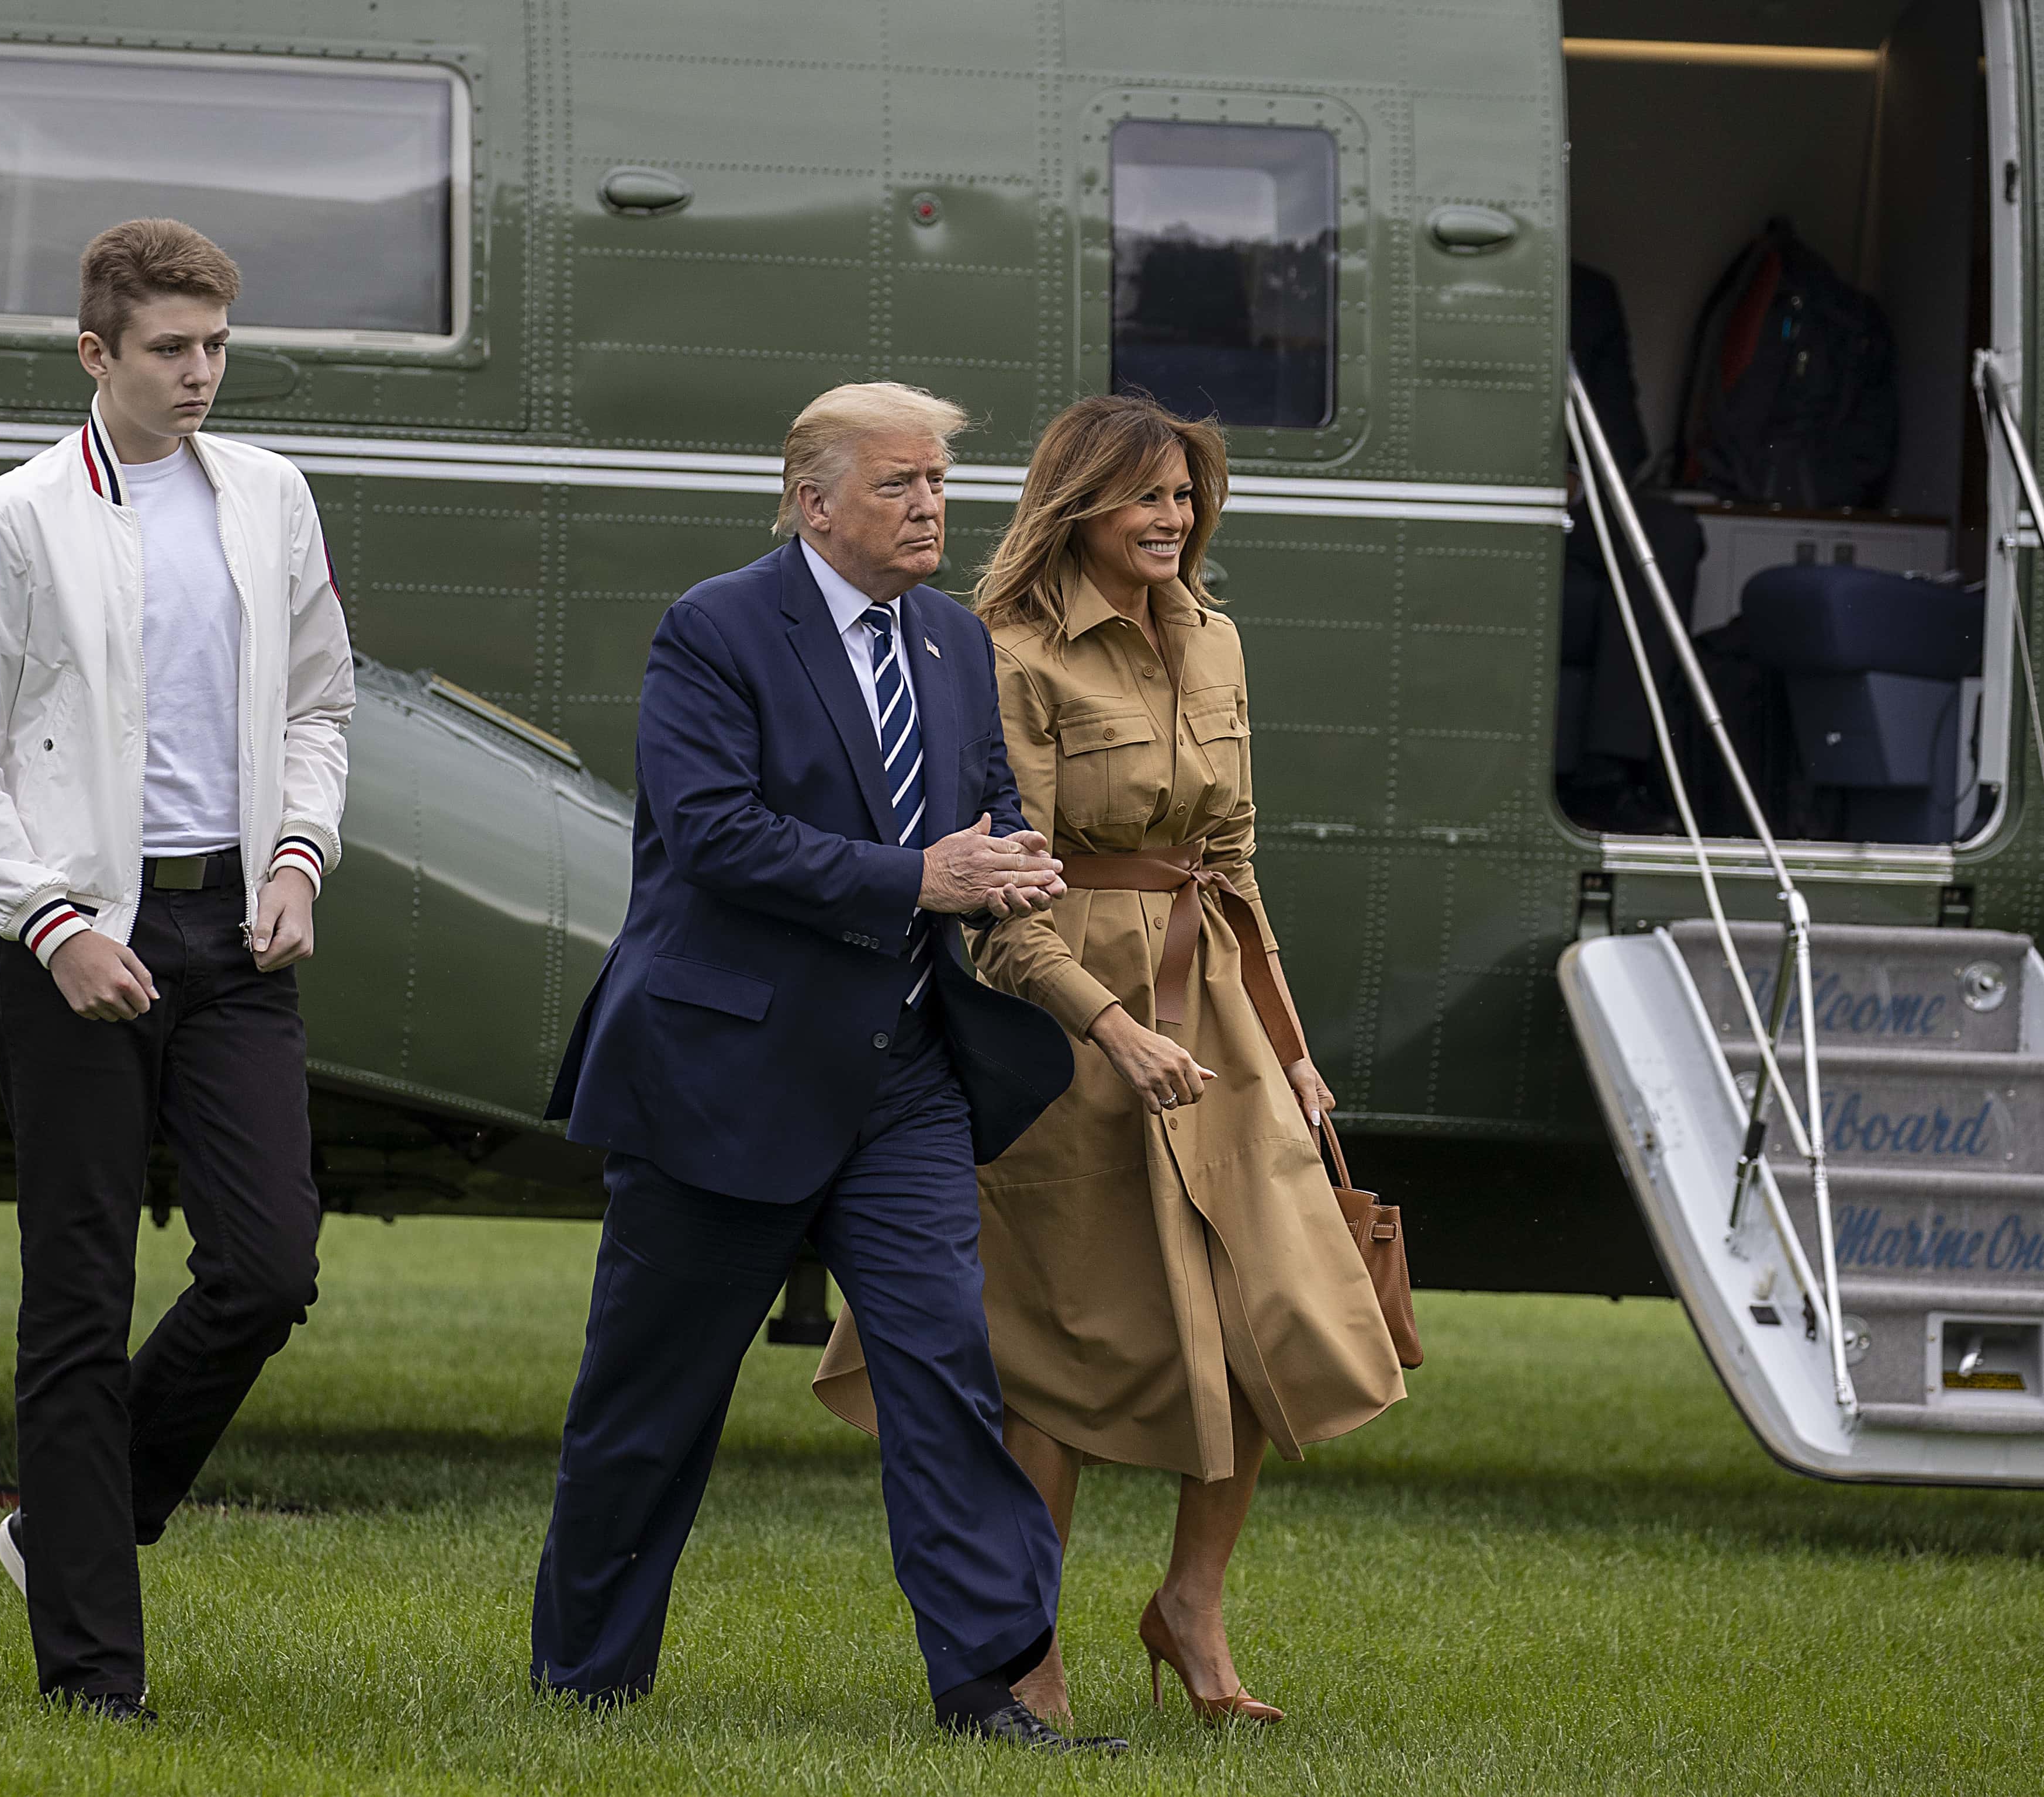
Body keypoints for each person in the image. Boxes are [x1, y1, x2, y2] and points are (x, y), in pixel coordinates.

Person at [535, 382, 1124, 1753]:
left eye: (938, 484)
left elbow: (981, 796)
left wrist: (1006, 862)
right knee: (650, 1401)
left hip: (905, 1073)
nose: (930, 507)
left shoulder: (956, 638)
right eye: (899, 485)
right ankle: (588, 1680)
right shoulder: (717, 628)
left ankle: (986, 1688)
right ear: (812, 502)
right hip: (722, 1073)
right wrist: (921, 874)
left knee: (946, 1369)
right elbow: (712, 831)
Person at [815, 393, 1405, 1726]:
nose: (1172, 519)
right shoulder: (1001, 651)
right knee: (1063, 1357)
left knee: (1279, 1316)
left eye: (1187, 497)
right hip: (1072, 1030)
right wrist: (1112, 1027)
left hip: (1220, 1023)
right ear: (1081, 503)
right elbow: (1004, 898)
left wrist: (1292, 1047)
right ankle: (1027, 1649)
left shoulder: (1219, 641)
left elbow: (1236, 865)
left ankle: (1190, 1605)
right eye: (1146, 496)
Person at [0, 217, 356, 1721]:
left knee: (271, 1262)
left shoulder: (272, 498)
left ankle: (72, 1523)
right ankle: (96, 1670)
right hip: (72, 940)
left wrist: (299, 855)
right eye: (172, 349)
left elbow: (316, 707)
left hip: (236, 933)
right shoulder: (11, 518)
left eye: (216, 345)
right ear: (96, 355)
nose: (201, 374)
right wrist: (54, 923)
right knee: (77, 1301)